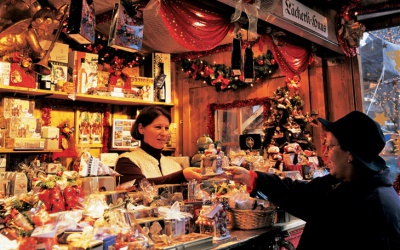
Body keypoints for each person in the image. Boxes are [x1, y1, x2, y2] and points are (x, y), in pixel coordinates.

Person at [224, 111, 400, 250]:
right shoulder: (344, 183)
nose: (325, 153)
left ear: (350, 154)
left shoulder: (378, 208)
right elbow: (298, 194)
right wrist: (252, 178)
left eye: (330, 146)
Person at [115, 106, 206, 190]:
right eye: (158, 127)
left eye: (166, 128)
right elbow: (138, 186)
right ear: (141, 128)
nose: (164, 133)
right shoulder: (126, 161)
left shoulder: (174, 165)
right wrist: (181, 176)